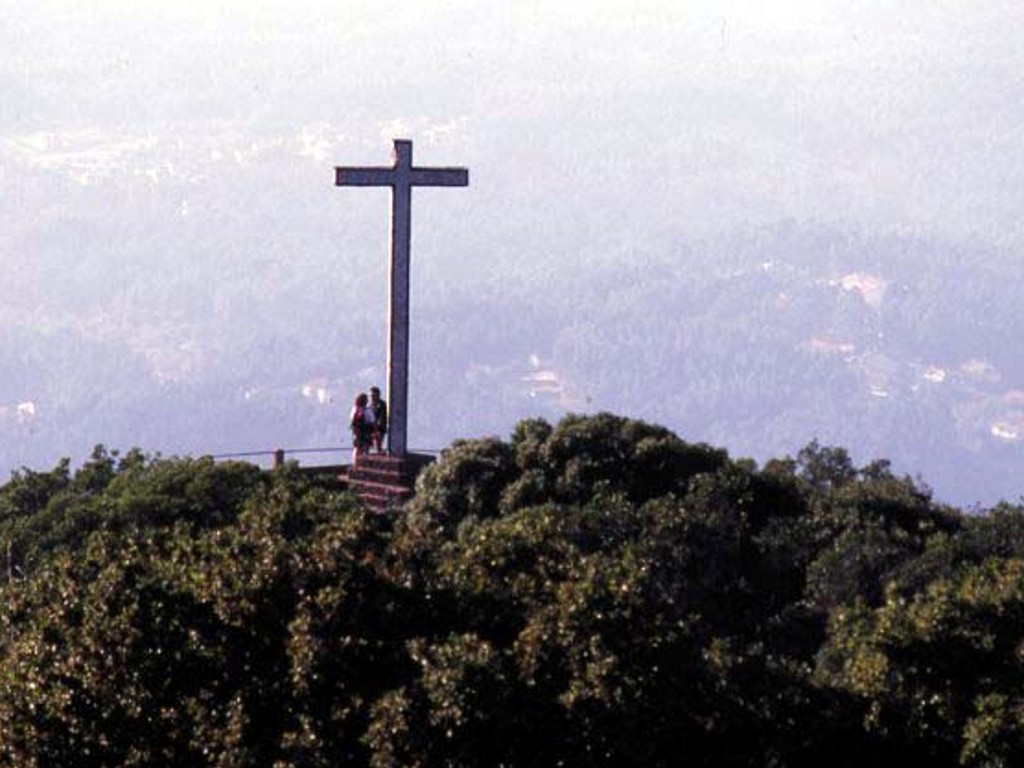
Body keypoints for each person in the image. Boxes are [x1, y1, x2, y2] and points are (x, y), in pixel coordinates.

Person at [349, 392, 372, 467]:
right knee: (366, 449)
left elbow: (352, 420)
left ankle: (355, 465)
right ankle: (364, 465)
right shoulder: (367, 410)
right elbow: (371, 421)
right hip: (365, 432)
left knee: (357, 449)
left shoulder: (354, 409)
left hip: (356, 432)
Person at [369, 386, 388, 454]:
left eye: (373, 395)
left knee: (378, 444)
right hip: (372, 429)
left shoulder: (382, 405)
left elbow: (382, 417)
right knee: (374, 445)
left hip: (380, 429)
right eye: (371, 396)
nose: (372, 397)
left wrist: (377, 429)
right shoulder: (370, 406)